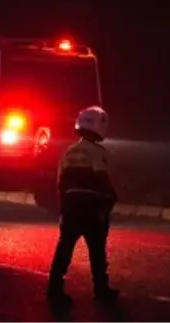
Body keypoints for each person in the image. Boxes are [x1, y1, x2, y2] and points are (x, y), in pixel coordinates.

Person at [47, 106, 118, 305]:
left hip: (71, 208)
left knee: (64, 251)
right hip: (92, 210)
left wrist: (63, 209)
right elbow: (102, 179)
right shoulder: (98, 152)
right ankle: (101, 291)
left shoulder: (67, 152)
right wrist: (109, 201)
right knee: (97, 253)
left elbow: (60, 183)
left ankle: (54, 290)